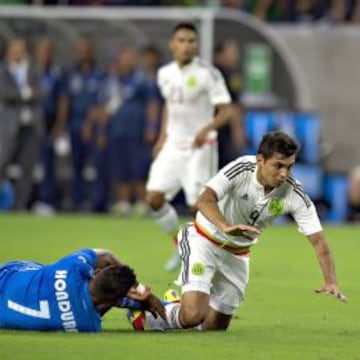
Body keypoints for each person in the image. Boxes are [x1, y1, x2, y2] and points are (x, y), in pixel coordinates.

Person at [131, 131, 347, 332]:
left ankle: (179, 303)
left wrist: (331, 280)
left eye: (289, 167)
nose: (284, 174)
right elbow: (204, 200)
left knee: (214, 327)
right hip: (203, 239)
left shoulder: (294, 193)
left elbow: (319, 242)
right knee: (193, 316)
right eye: (278, 166)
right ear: (260, 160)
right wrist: (225, 226)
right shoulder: (242, 169)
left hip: (237, 254)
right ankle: (145, 312)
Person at [145, 22, 231, 272]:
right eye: (181, 40)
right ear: (172, 44)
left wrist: (206, 129)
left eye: (191, 41)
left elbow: (226, 111)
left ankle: (212, 254)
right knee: (153, 198)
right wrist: (162, 138)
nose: (187, 45)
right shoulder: (165, 74)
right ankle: (179, 245)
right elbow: (169, 106)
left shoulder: (208, 73)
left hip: (200, 146)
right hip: (173, 143)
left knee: (198, 205)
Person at [0, 248, 165, 332]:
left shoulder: (71, 268)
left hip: (7, 275)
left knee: (45, 272)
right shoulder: (87, 325)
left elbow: (106, 256)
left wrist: (139, 288)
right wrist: (141, 300)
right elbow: (103, 303)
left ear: (98, 272)